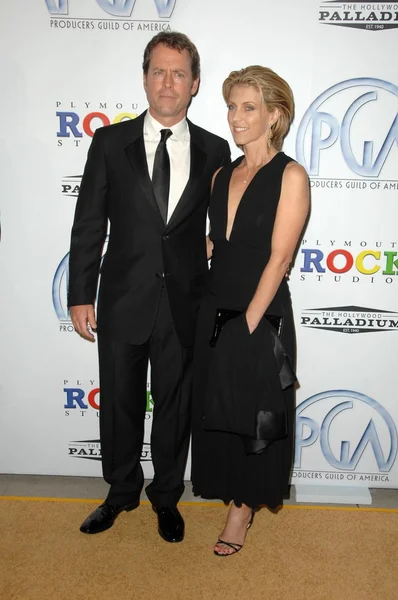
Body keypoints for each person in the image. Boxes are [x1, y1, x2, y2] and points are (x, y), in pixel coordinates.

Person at [68, 31, 230, 542]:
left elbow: (225, 223)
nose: (167, 82)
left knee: (175, 407)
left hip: (185, 302)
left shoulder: (214, 148)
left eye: (178, 73)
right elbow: (89, 222)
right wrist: (79, 293)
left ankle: (165, 497)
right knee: (118, 402)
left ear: (195, 84)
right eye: (158, 71)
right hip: (121, 297)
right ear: (144, 78)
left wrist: (206, 250)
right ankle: (119, 494)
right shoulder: (109, 143)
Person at [191, 65, 309, 556]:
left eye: (248, 107)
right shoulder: (223, 173)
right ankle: (228, 494)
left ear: (275, 115)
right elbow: (221, 239)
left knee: (254, 416)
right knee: (219, 410)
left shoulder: (291, 175)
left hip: (261, 313)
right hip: (215, 307)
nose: (235, 118)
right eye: (232, 106)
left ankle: (242, 512)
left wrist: (251, 324)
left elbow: (280, 257)